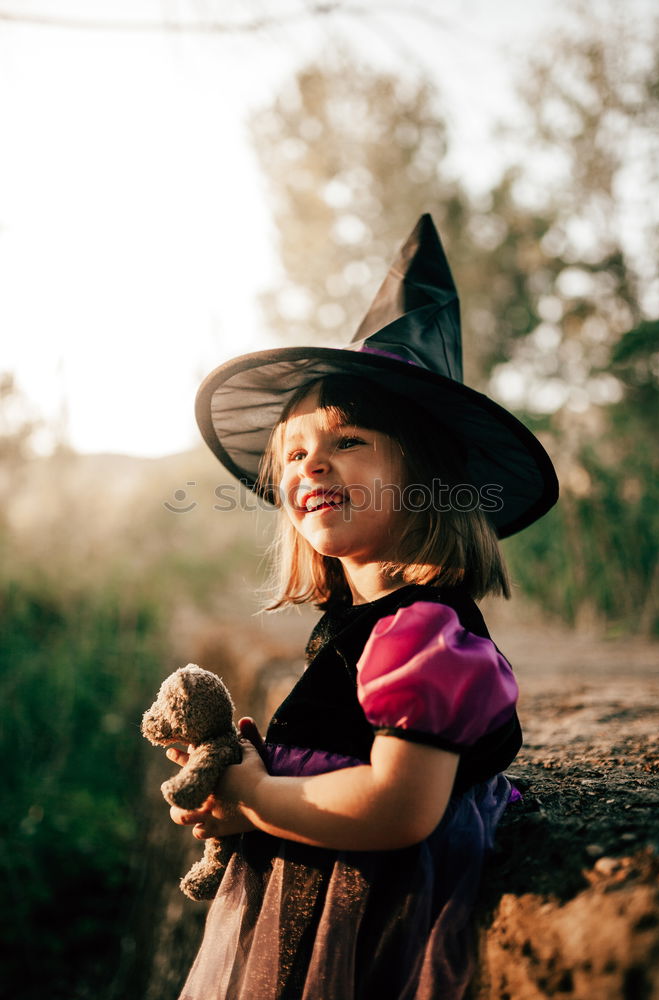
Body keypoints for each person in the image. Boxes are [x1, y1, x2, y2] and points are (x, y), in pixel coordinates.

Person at [165, 215, 559, 1000]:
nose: (312, 463)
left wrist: (254, 794)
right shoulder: (355, 634)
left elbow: (394, 807)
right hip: (311, 916)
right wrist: (243, 795)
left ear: (426, 481)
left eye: (347, 441)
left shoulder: (425, 636)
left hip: (370, 933)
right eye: (295, 452)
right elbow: (334, 774)